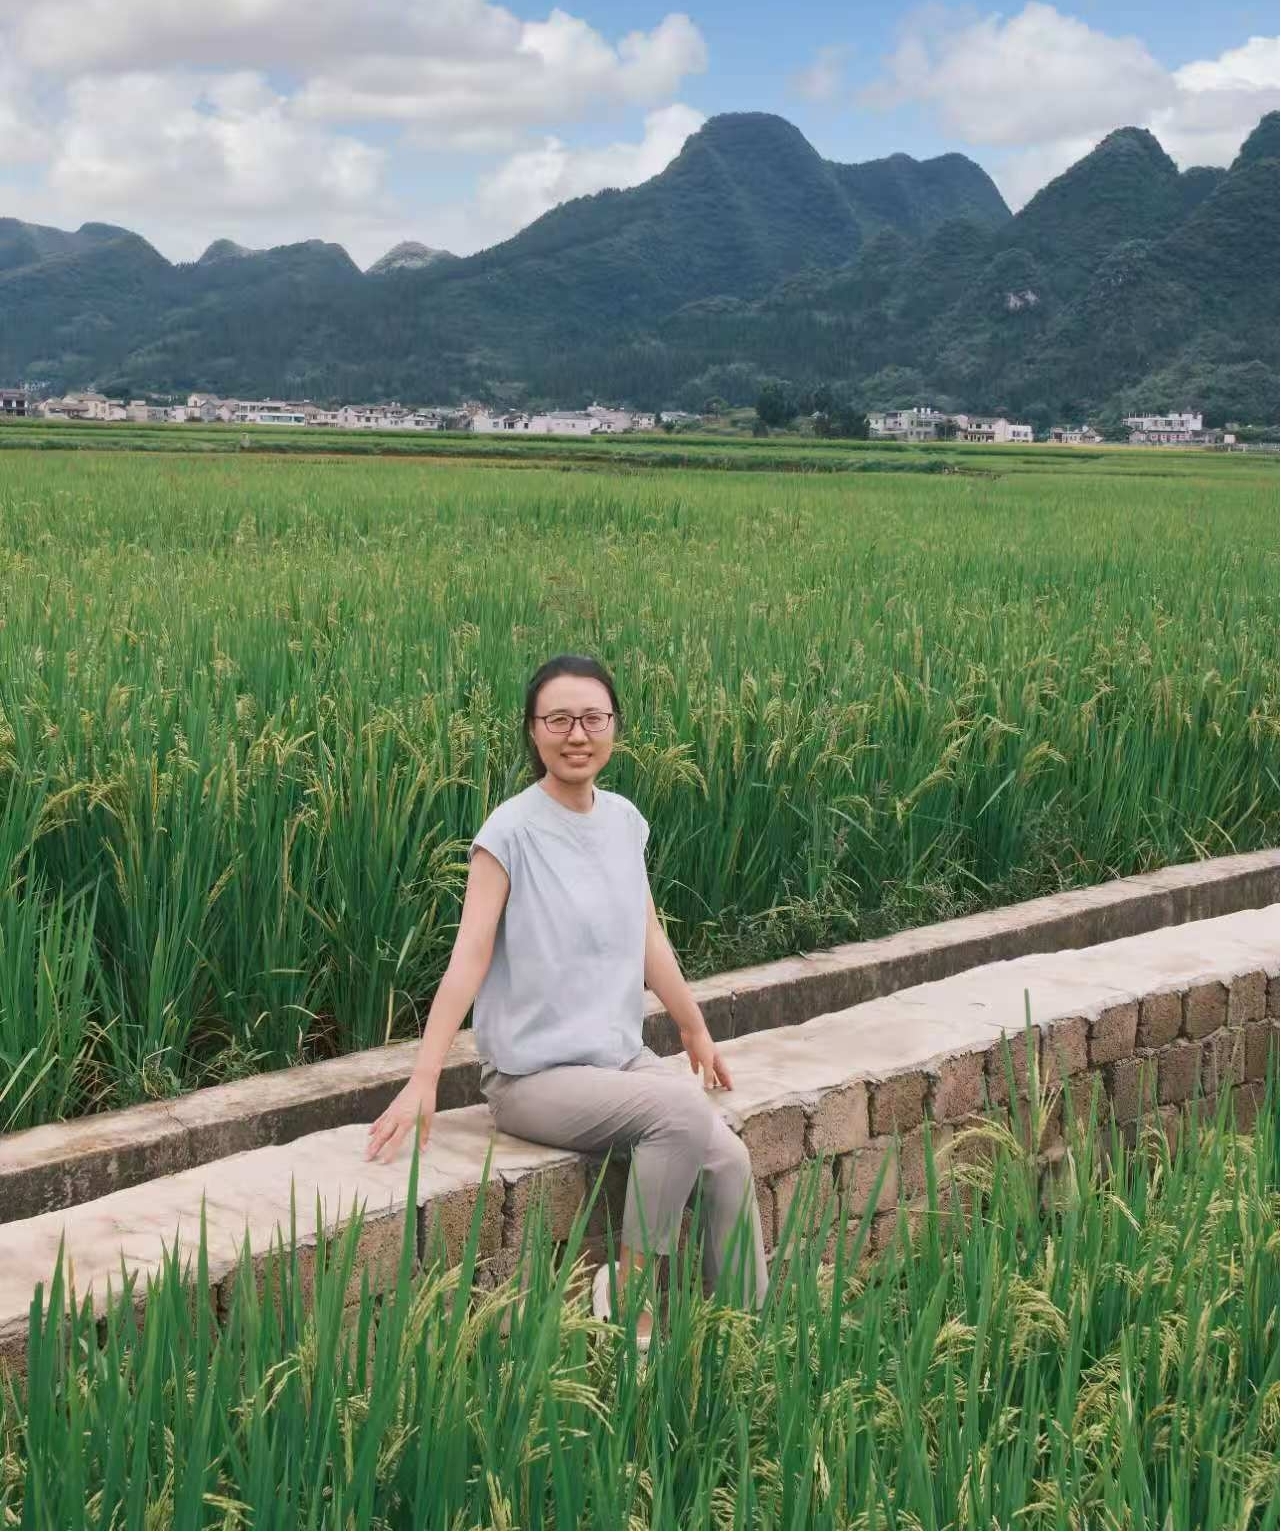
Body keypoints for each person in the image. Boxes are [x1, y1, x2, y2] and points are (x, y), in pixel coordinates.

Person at [364, 653, 769, 1348]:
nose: (576, 734)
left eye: (591, 718)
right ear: (533, 730)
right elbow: (468, 957)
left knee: (728, 1162)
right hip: (534, 1079)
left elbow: (647, 936)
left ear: (614, 726)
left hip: (617, 1061)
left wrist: (693, 1028)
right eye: (557, 720)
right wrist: (423, 1077)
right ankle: (630, 1298)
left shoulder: (624, 822)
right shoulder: (508, 833)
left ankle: (744, 1340)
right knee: (679, 1111)